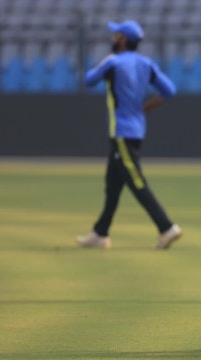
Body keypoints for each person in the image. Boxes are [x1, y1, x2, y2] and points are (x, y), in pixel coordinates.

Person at [76, 20, 182, 250]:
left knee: (136, 181)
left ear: (122, 40)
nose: (113, 39)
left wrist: (103, 62)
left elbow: (88, 80)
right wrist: (147, 106)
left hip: (121, 132)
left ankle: (166, 227)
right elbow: (169, 90)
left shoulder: (113, 61)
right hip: (136, 129)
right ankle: (100, 233)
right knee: (112, 185)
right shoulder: (147, 63)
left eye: (116, 36)